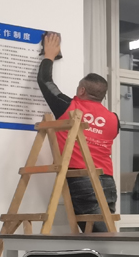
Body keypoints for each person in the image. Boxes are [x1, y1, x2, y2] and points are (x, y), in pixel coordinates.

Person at [37, 32, 119, 233]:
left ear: (82, 90)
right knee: (105, 232)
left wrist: (49, 56)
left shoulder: (70, 108)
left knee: (100, 237)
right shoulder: (114, 119)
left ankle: (119, 254)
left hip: (82, 178)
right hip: (107, 180)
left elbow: (45, 82)